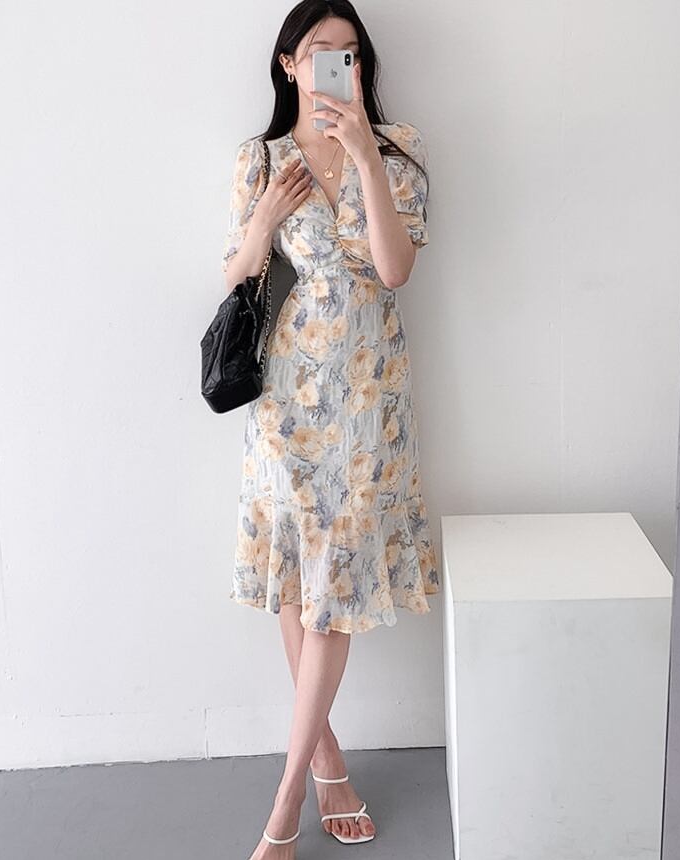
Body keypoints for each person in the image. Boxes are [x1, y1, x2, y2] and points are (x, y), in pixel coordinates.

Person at [219, 2, 440, 857]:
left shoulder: (398, 151)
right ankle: (327, 762)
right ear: (289, 64)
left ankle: (284, 809)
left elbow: (394, 269)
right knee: (295, 582)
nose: (336, 66)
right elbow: (237, 275)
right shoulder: (261, 159)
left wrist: (365, 159)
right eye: (319, 52)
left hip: (369, 405)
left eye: (350, 53)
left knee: (332, 596)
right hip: (286, 404)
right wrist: (264, 221)